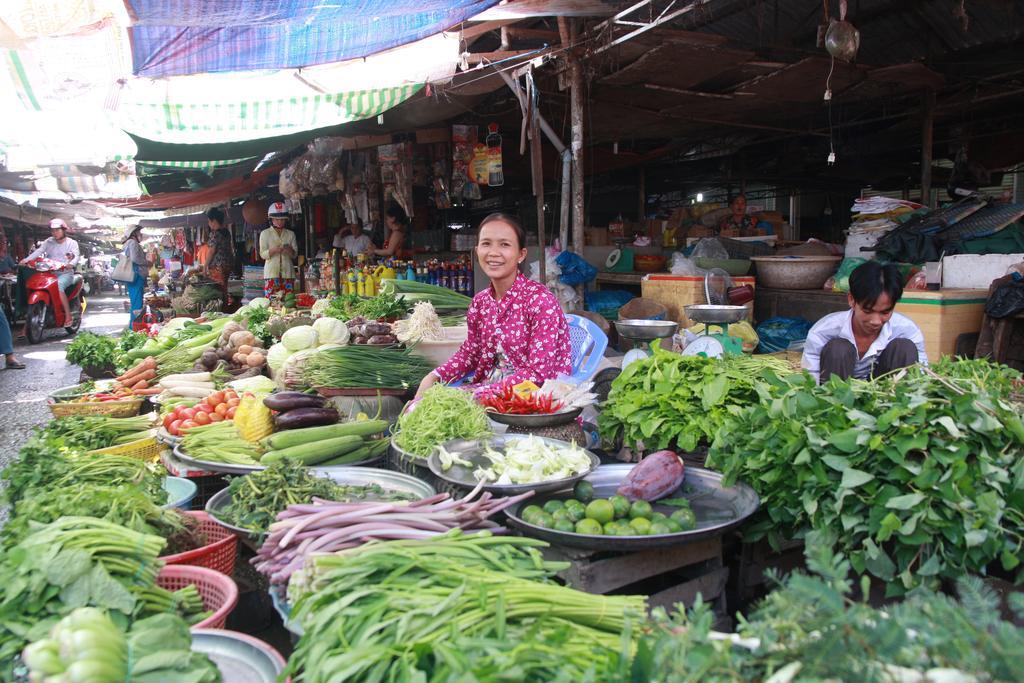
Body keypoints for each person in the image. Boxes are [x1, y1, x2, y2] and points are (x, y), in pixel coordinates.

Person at [415, 213, 571, 399]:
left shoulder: (540, 300)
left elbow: (538, 375)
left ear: (521, 254)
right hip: (489, 390)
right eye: (486, 243)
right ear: (477, 250)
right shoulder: (480, 303)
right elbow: (471, 353)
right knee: (418, 409)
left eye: (504, 244)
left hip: (534, 398)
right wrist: (434, 376)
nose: (493, 252)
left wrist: (477, 394)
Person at [802, 260, 927, 383]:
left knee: (904, 348)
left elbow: (922, 373)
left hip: (885, 396)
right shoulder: (823, 331)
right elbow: (810, 376)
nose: (876, 321)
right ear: (852, 300)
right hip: (838, 398)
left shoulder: (906, 330)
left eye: (885, 312)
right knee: (838, 349)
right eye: (867, 311)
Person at [20, 218, 79, 324]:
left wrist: (71, 264)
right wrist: (27, 260)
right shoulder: (49, 241)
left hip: (65, 273)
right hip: (49, 273)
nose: (55, 233)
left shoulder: (72, 243)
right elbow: (39, 251)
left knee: (59, 285)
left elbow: (76, 256)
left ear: (63, 230)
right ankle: (27, 323)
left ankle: (68, 315)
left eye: (57, 230)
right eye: (53, 231)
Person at [259, 202, 297, 297]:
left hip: (288, 274)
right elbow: (262, 254)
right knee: (272, 302)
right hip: (271, 274)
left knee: (289, 301)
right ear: (271, 219)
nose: (279, 222)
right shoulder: (265, 234)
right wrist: (273, 250)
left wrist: (288, 250)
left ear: (285, 220)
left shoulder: (290, 234)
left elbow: (295, 254)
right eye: (276, 219)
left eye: (282, 220)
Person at [203, 207, 233, 309]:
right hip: (227, 264)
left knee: (218, 290)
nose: (208, 223)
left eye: (209, 221)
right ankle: (225, 309)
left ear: (214, 221)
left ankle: (221, 310)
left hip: (218, 266)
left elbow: (211, 251)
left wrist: (205, 266)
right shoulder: (226, 232)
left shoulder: (215, 233)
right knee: (224, 289)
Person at [121, 225, 150, 326]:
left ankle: (133, 326)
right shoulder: (132, 243)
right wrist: (146, 262)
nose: (141, 235)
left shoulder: (128, 244)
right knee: (137, 304)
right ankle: (134, 327)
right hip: (136, 275)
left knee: (135, 302)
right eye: (139, 233)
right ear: (134, 234)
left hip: (133, 275)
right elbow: (134, 259)